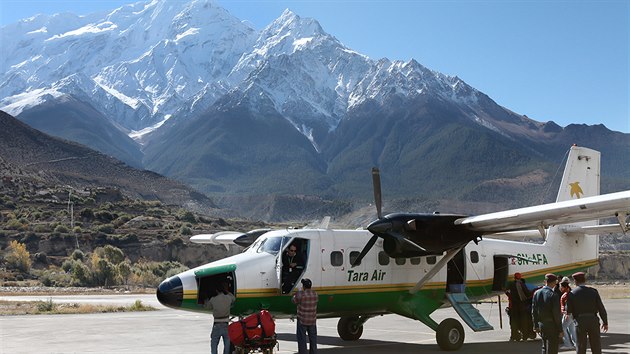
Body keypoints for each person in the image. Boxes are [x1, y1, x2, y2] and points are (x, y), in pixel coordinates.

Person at [566, 272, 608, 354]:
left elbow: (569, 311)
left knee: (581, 346)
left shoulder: (572, 293)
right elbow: (601, 308)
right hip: (593, 320)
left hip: (580, 321)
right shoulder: (593, 291)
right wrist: (605, 322)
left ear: (575, 281)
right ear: (584, 280)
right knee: (596, 346)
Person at [532, 273, 563, 354]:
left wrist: (535, 325)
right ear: (554, 282)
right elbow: (556, 314)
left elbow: (534, 310)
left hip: (542, 324)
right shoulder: (553, 295)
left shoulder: (537, 293)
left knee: (544, 347)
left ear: (545, 281)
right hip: (552, 325)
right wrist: (560, 329)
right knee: (552, 348)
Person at [204, 281, 236, 354]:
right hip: (225, 324)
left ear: (216, 290)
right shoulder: (228, 298)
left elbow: (206, 306)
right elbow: (234, 298)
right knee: (227, 344)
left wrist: (205, 299)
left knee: (214, 344)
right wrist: (227, 291)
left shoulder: (213, 299)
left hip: (217, 324)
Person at [506, 272, 535, 341]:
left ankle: (514, 337)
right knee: (524, 322)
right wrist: (533, 292)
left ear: (514, 277)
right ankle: (525, 337)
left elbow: (508, 293)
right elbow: (527, 294)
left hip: (514, 308)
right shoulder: (522, 285)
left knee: (513, 323)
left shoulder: (511, 284)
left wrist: (506, 292)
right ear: (520, 277)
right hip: (522, 307)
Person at [292, 278, 318, 354]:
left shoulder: (301, 294)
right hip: (312, 320)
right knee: (313, 339)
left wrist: (298, 292)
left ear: (304, 286)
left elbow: (293, 300)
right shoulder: (315, 294)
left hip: (302, 320)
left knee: (302, 339)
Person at [559, 277, 577, 350]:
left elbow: (567, 305)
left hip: (567, 314)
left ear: (565, 287)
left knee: (563, 328)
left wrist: (567, 313)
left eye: (561, 287)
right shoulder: (571, 293)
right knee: (571, 328)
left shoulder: (566, 295)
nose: (560, 288)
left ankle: (568, 344)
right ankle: (576, 343)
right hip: (571, 314)